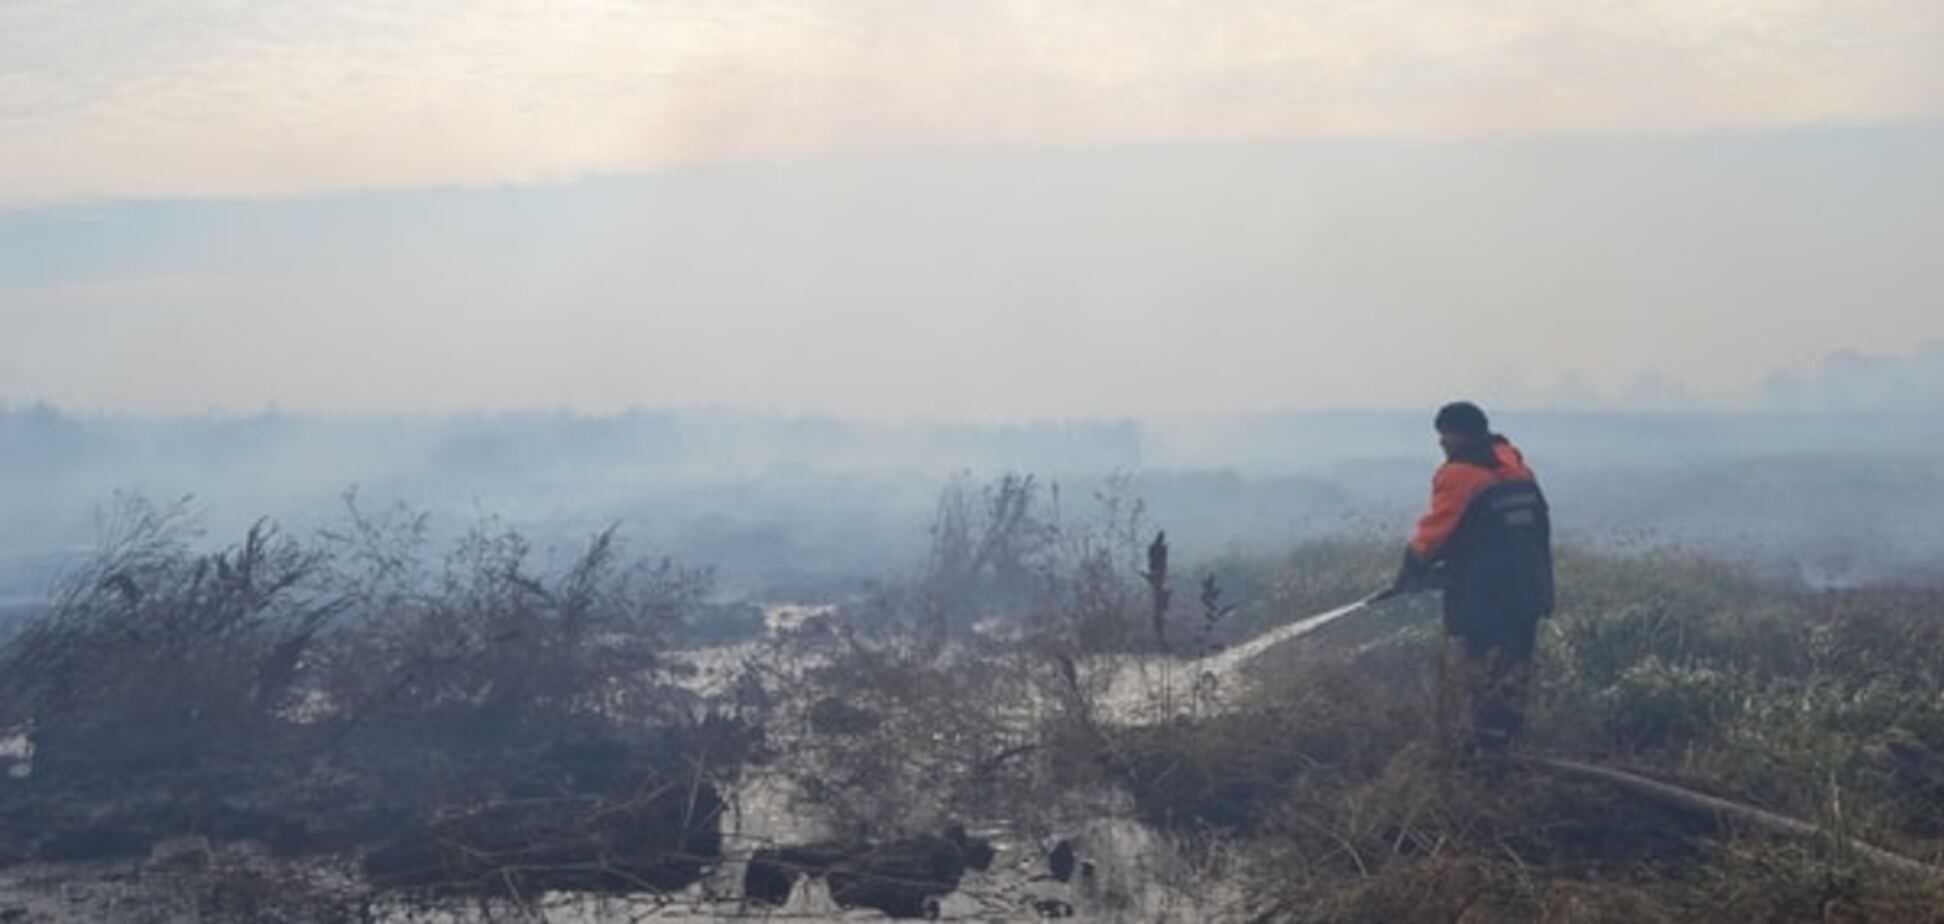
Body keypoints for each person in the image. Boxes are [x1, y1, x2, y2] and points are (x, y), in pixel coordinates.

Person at [1391, 401, 1554, 758]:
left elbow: (1434, 534)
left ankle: (1486, 751)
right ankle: (1507, 744)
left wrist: (1409, 571)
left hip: (1487, 597)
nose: (1442, 445)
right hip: (1528, 589)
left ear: (1457, 434)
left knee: (1482, 671)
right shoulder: (1518, 469)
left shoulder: (1460, 474)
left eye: (1444, 436)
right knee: (1515, 670)